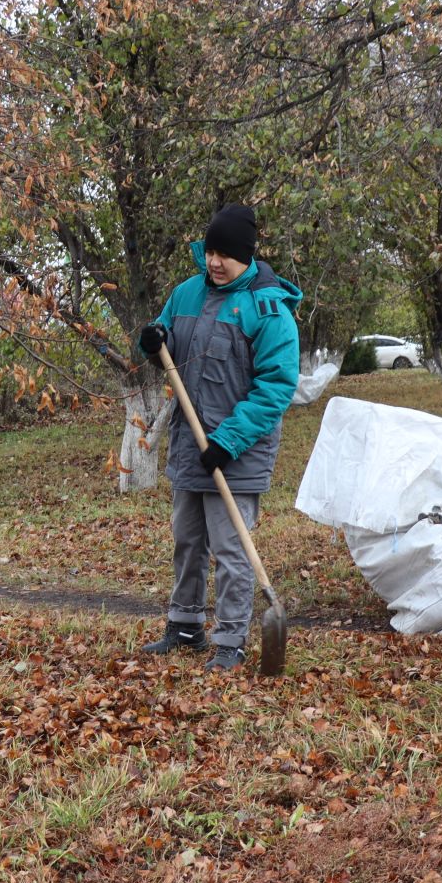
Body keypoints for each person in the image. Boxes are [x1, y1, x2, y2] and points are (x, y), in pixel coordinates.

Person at [136, 204, 302, 672]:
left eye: (224, 254)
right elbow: (161, 343)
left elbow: (276, 387)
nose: (214, 262)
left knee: (231, 551)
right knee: (187, 540)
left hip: (238, 451)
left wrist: (228, 441)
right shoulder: (186, 294)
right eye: (210, 251)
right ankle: (184, 624)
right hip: (191, 445)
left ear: (247, 256)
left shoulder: (269, 309)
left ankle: (230, 639)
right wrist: (151, 340)